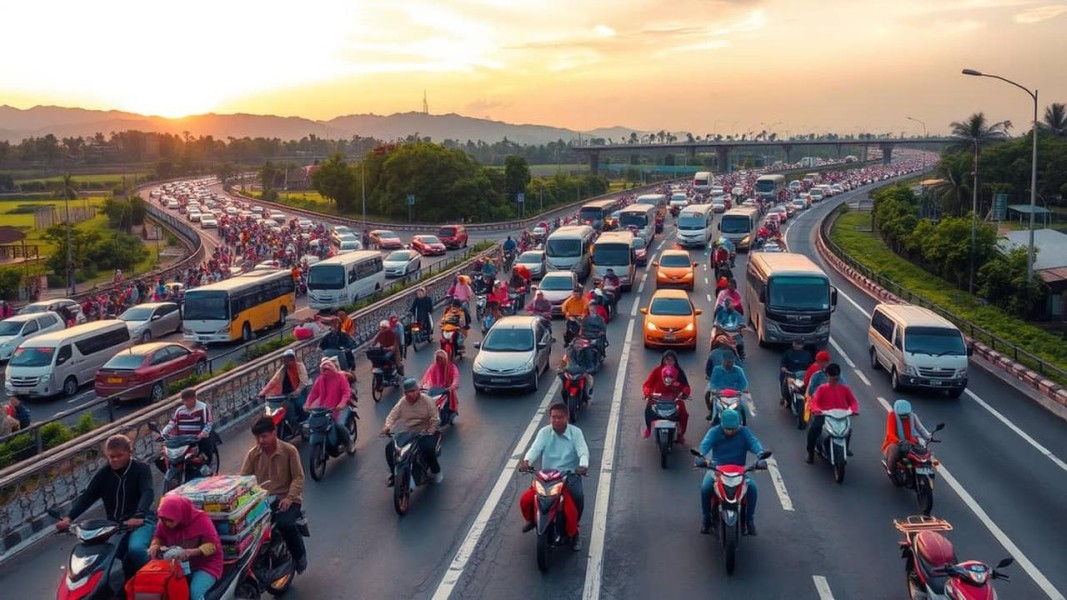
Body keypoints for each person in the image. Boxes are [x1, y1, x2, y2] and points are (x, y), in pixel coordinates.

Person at [56, 435, 156, 571]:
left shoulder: (141, 469)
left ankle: (149, 580)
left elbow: (147, 492)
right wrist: (69, 517)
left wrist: (139, 515)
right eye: (111, 456)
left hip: (141, 522)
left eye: (119, 455)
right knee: (99, 556)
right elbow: (88, 496)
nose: (114, 459)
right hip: (114, 526)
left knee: (136, 549)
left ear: (130, 453)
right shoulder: (103, 474)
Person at [239, 417, 307, 574]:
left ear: (274, 433)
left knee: (285, 524)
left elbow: (298, 477)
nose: (260, 441)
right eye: (257, 438)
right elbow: (243, 480)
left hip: (287, 499)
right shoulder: (252, 454)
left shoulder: (289, 451)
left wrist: (289, 498)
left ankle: (299, 557)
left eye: (264, 436)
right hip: (263, 501)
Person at [518, 403, 589, 551]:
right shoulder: (544, 432)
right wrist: (527, 461)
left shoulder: (576, 433)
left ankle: (575, 533)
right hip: (546, 477)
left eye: (560, 417)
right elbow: (535, 448)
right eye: (553, 417)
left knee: (576, 500)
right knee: (526, 500)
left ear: (567, 417)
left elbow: (583, 451)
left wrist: (582, 466)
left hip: (568, 476)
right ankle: (533, 520)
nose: (556, 420)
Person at [697, 409, 766, 536]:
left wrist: (760, 455)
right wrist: (700, 457)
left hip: (739, 470)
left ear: (738, 424)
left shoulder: (744, 432)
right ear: (722, 424)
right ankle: (706, 519)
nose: (730, 431)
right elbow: (704, 446)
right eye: (727, 429)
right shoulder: (714, 432)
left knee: (752, 489)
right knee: (706, 488)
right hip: (717, 469)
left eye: (733, 429)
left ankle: (749, 520)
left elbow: (754, 443)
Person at [148, 496, 223, 600]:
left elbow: (212, 545)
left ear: (179, 514)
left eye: (170, 520)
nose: (167, 524)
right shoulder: (163, 522)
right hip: (177, 563)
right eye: (164, 520)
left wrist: (192, 552)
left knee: (195, 593)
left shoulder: (201, 520)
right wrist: (154, 545)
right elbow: (158, 537)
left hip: (205, 564)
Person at [381, 378, 442, 485]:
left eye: (416, 390)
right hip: (409, 432)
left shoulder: (426, 400)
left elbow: (435, 417)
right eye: (411, 391)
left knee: (428, 449)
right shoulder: (402, 403)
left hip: (425, 430)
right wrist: (387, 426)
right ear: (405, 393)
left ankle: (436, 471)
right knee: (390, 448)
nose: (415, 393)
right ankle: (393, 472)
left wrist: (431, 429)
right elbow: (392, 416)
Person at [805, 363, 859, 463]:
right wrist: (817, 410)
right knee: (814, 429)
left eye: (837, 379)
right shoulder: (821, 389)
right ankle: (810, 453)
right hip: (824, 415)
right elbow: (815, 402)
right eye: (832, 378)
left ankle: (844, 449)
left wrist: (853, 410)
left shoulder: (845, 389)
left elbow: (853, 401)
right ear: (827, 376)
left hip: (841, 416)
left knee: (848, 431)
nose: (834, 381)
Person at [305, 357, 355, 450]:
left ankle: (349, 443)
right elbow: (314, 393)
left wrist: (342, 404)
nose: (325, 372)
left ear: (332, 369)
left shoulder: (340, 378)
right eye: (323, 370)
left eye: (327, 369)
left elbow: (346, 392)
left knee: (339, 425)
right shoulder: (320, 380)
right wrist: (308, 404)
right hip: (325, 409)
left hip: (340, 408)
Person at [161, 388, 216, 461]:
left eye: (187, 400)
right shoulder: (180, 410)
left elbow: (209, 423)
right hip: (183, 440)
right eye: (184, 401)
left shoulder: (203, 408)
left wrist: (202, 434)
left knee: (204, 455)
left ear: (194, 399)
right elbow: (172, 423)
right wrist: (165, 431)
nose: (185, 403)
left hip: (196, 439)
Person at [642, 365, 692, 444]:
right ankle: (648, 428)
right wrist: (648, 393)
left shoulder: (679, 376)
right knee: (648, 410)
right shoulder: (656, 371)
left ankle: (680, 434)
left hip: (674, 400)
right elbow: (648, 385)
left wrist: (684, 394)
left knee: (684, 414)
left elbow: (686, 388)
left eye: (671, 360)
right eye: (667, 360)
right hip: (658, 398)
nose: (669, 362)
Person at [882, 399, 932, 473]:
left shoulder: (912, 416)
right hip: (895, 442)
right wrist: (899, 441)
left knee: (924, 452)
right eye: (901, 415)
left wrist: (929, 437)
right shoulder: (892, 415)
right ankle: (891, 470)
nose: (904, 416)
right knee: (894, 452)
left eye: (906, 414)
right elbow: (890, 434)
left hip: (910, 441)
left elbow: (920, 428)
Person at [707, 354, 752, 421]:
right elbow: (713, 382)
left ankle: (743, 420)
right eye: (727, 362)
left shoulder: (739, 370)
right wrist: (715, 390)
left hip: (734, 393)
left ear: (733, 362)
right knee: (707, 395)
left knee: (743, 405)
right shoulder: (717, 370)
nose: (729, 364)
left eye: (731, 362)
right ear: (723, 361)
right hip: (720, 393)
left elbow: (743, 382)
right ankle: (711, 412)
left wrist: (740, 390)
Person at [421, 349, 460, 415]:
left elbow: (455, 378)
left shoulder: (452, 367)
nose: (440, 361)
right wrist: (421, 386)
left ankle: (453, 411)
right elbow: (426, 376)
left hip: (447, 388)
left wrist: (452, 386)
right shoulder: (433, 367)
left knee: (451, 399)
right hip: (436, 389)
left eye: (441, 359)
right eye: (438, 359)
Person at [779, 339, 814, 404]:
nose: (798, 346)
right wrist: (783, 368)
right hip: (791, 374)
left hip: (803, 375)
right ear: (793, 344)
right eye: (796, 344)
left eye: (799, 344)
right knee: (783, 377)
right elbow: (783, 363)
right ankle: (784, 396)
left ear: (802, 345)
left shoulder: (807, 354)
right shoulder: (788, 353)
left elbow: (811, 365)